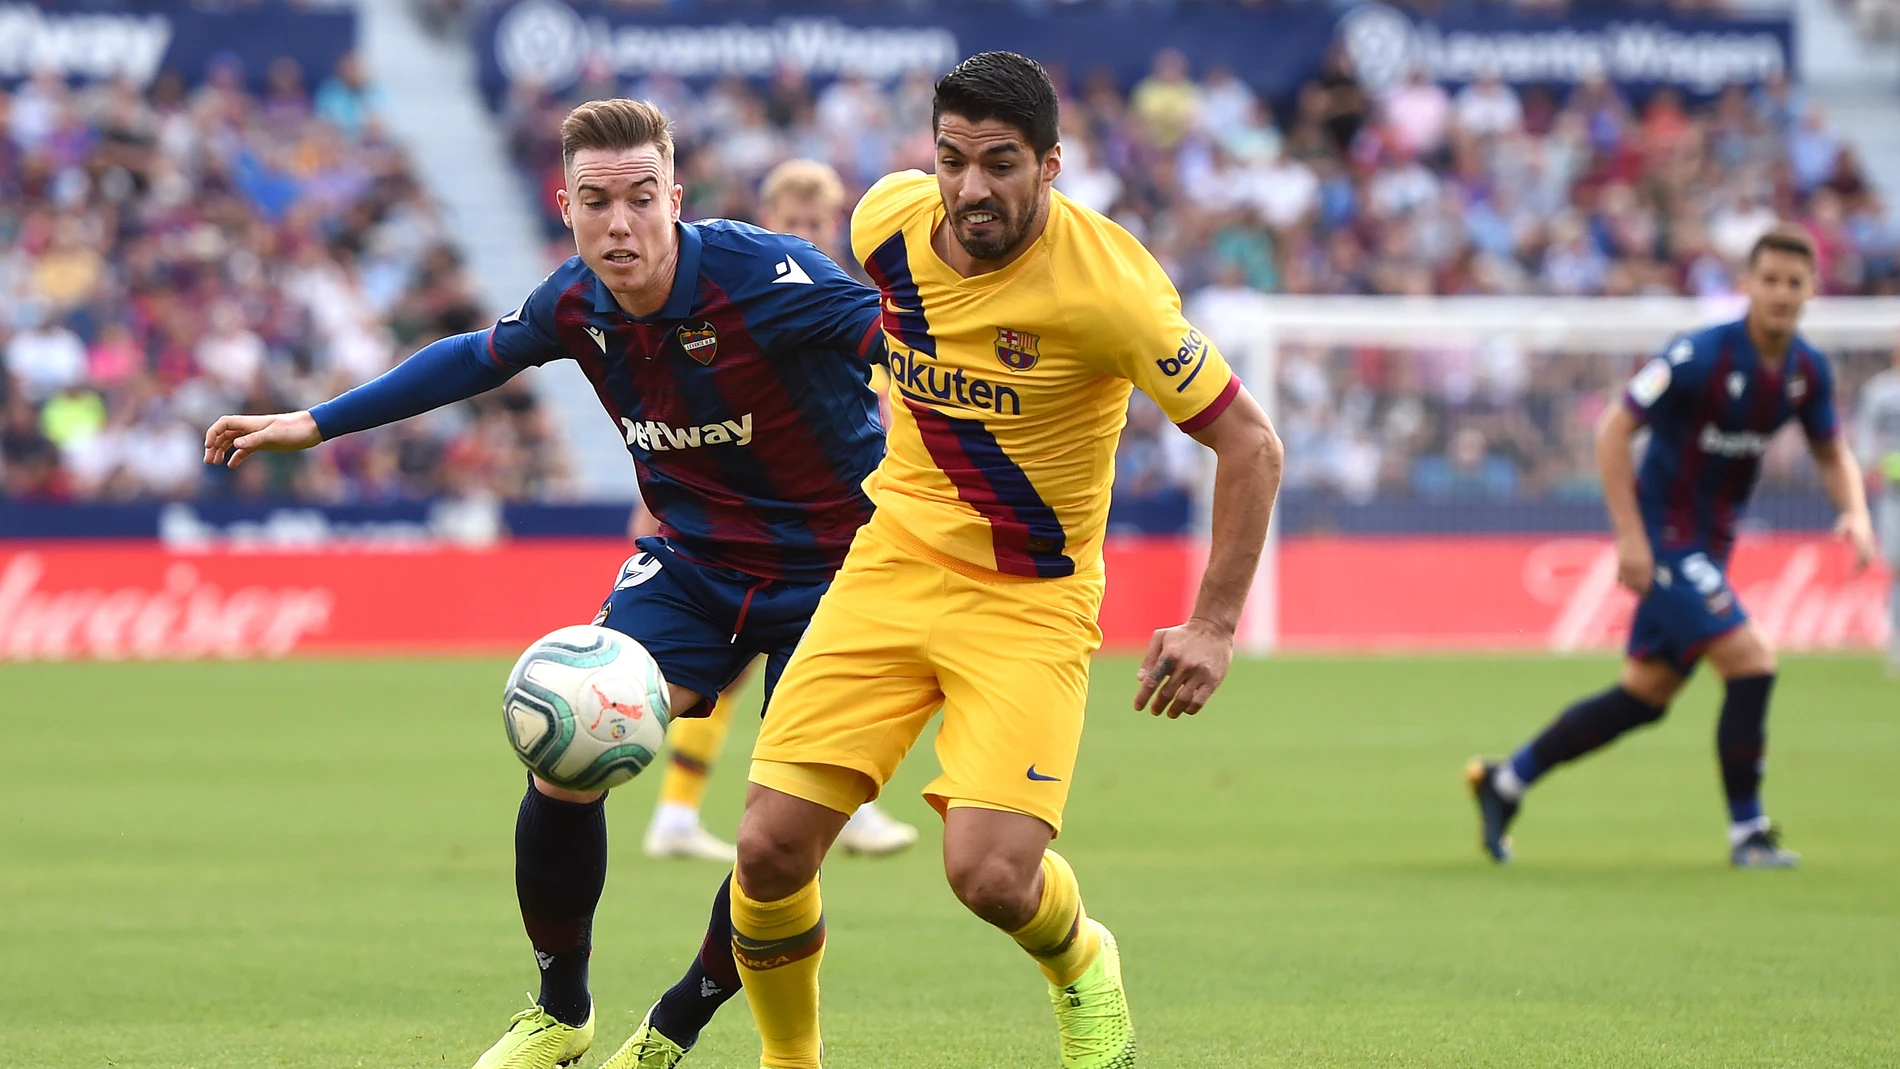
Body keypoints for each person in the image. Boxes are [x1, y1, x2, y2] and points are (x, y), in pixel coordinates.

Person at [612, 52, 1283, 1069]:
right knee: (767, 847)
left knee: (990, 876)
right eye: (952, 160)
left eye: (1001, 164)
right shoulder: (883, 222)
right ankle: (789, 1061)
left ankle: (1082, 959)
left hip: (1028, 600)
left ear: (1050, 165)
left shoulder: (1114, 293)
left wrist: (1215, 623)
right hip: (888, 566)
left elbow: (1251, 444)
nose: (971, 187)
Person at [202, 98, 891, 1069]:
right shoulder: (574, 302)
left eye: (641, 199)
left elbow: (909, 351)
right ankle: (561, 1009)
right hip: (694, 565)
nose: (621, 224)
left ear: (675, 198)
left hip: (843, 576)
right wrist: (312, 423)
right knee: (561, 753)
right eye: (597, 201)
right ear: (563, 204)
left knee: (778, 842)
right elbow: (471, 361)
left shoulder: (768, 277)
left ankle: (672, 1028)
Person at [1467, 227, 1878, 869]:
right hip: (1664, 538)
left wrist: (1853, 512)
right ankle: (1749, 832)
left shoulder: (1806, 371)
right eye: (1768, 279)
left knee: (1645, 695)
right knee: (1753, 662)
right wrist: (1631, 539)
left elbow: (1831, 451)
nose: (1779, 293)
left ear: (1811, 292)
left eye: (1793, 283)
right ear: (1746, 284)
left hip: (1711, 545)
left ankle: (1506, 781)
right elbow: (1613, 431)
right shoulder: (1699, 355)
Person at [639, 159, 919, 862]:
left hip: (847, 514)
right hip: (767, 528)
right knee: (767, 671)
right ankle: (693, 812)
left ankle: (691, 813)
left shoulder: (847, 309)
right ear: (766, 221)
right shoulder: (743, 310)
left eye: (816, 223)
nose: (803, 234)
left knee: (820, 670)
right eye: (790, 222)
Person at [1854, 341, 1900, 673]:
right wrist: (1872, 466)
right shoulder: (1880, 391)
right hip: (1893, 496)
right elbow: (1866, 442)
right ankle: (1897, 642)